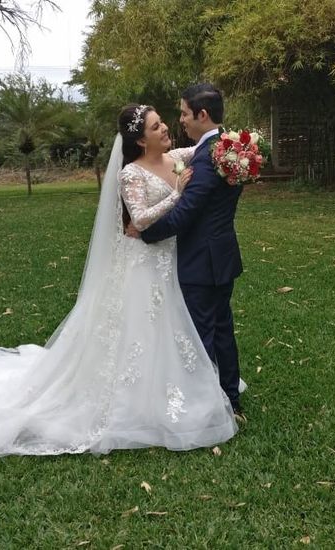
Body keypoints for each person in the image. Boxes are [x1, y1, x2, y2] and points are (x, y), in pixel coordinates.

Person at [0, 104, 237, 460]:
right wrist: (177, 195)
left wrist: (242, 149)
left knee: (171, 327)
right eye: (156, 126)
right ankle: (133, 399)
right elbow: (141, 221)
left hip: (170, 261)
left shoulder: (177, 156)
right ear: (141, 140)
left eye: (163, 122)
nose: (165, 128)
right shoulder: (131, 173)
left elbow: (210, 145)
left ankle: (176, 385)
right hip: (142, 264)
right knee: (137, 328)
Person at [133, 84, 245, 416]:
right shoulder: (231, 147)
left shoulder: (211, 158)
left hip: (202, 261)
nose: (179, 119)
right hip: (222, 254)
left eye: (183, 113)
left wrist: (148, 235)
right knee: (223, 329)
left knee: (202, 335)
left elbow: (185, 212)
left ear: (202, 115)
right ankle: (230, 398)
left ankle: (207, 408)